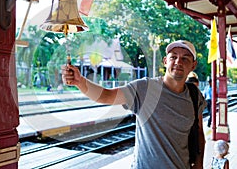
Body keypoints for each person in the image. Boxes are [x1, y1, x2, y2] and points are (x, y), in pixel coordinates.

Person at [62, 40, 206, 168]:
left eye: (185, 58)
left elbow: (199, 133)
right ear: (165, 61)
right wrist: (80, 82)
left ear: (193, 65)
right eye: (173, 57)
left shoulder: (195, 95)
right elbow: (106, 96)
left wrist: (199, 165)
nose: (178, 62)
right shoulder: (145, 88)